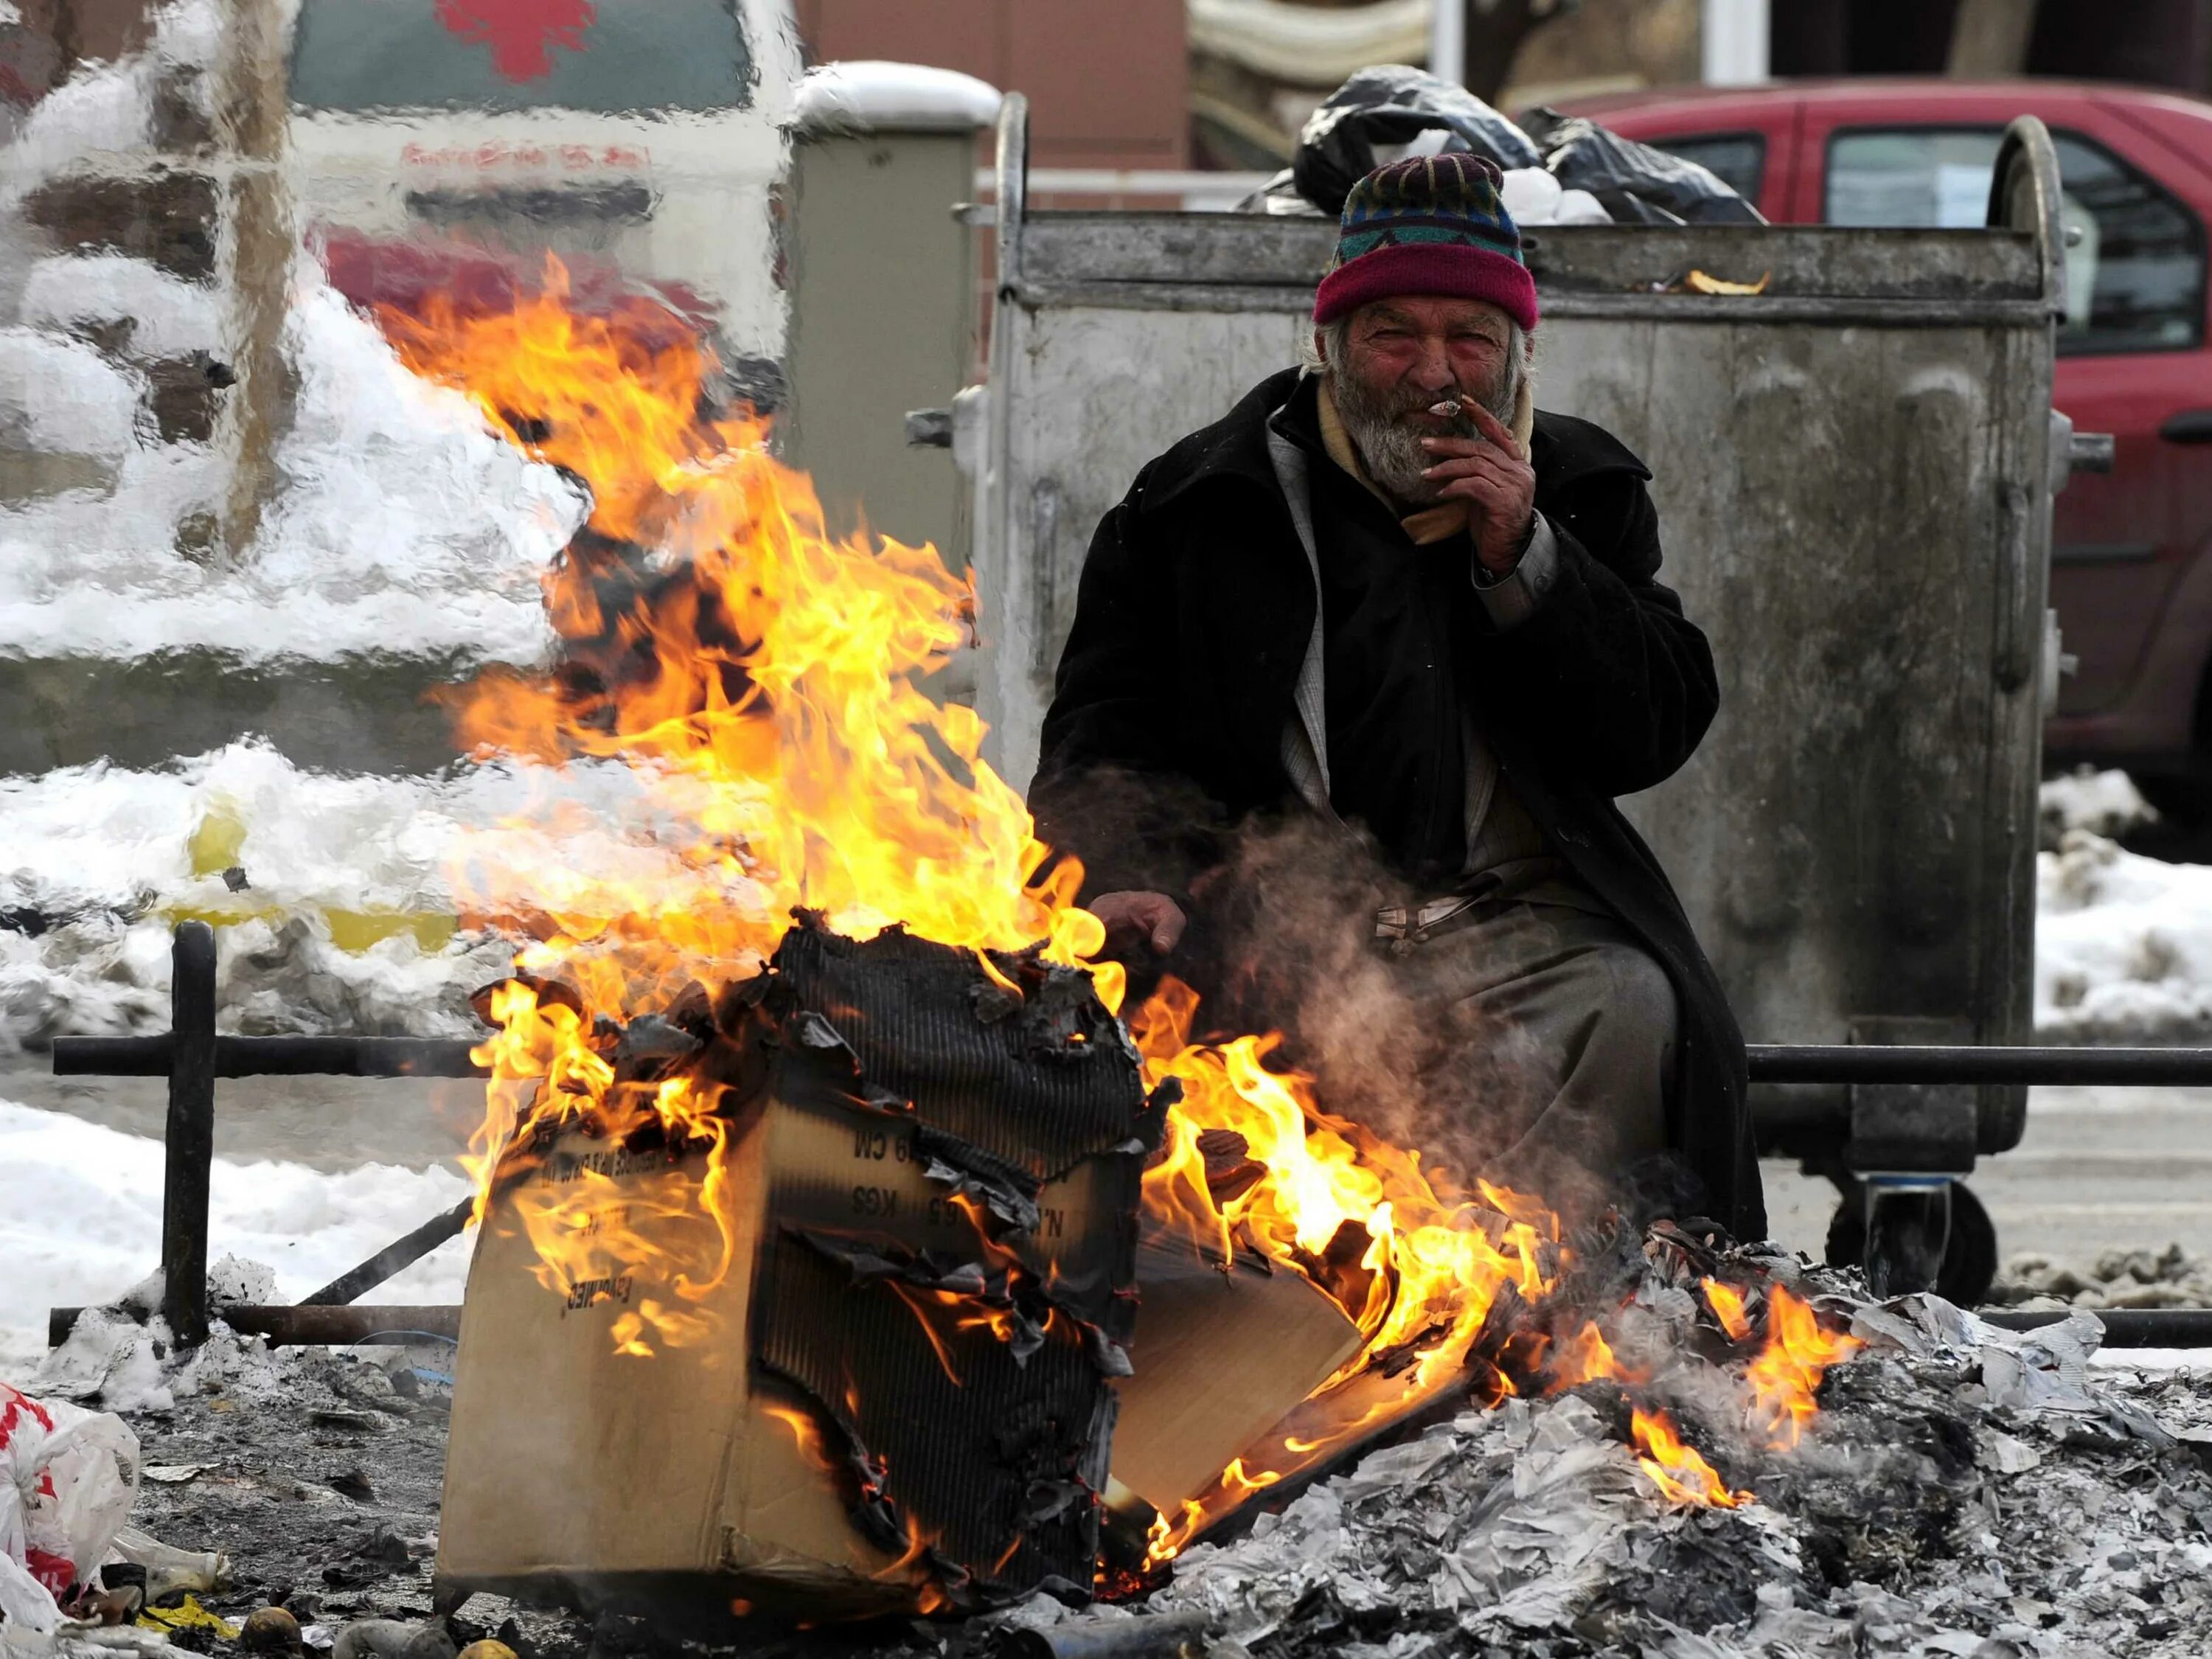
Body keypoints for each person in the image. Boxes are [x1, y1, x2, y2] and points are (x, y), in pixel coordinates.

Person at [1028, 153, 1764, 1238]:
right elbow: (1102, 734)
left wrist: (1530, 559)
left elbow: (1652, 729)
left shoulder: (1581, 488)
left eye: (1470, 337)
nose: (1435, 374)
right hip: (1279, 948)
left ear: (1520, 354)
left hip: (1513, 938)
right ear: (1328, 349)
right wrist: (1127, 876)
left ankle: (1553, 1312)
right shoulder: (1196, 506)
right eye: (1393, 335)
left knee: (1635, 1001)